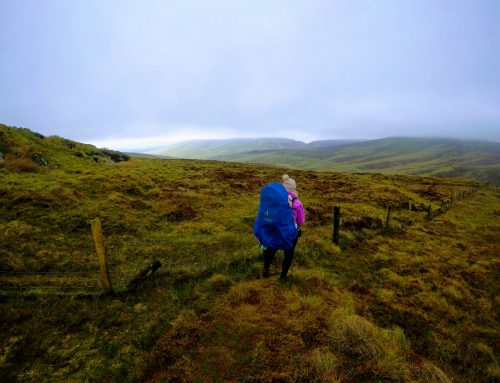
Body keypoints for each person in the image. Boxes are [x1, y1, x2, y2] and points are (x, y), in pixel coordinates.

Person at [262, 174, 305, 279]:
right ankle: (283, 276)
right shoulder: (297, 203)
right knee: (288, 254)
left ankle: (266, 269)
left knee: (270, 250)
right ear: (294, 188)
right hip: (290, 233)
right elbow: (301, 220)